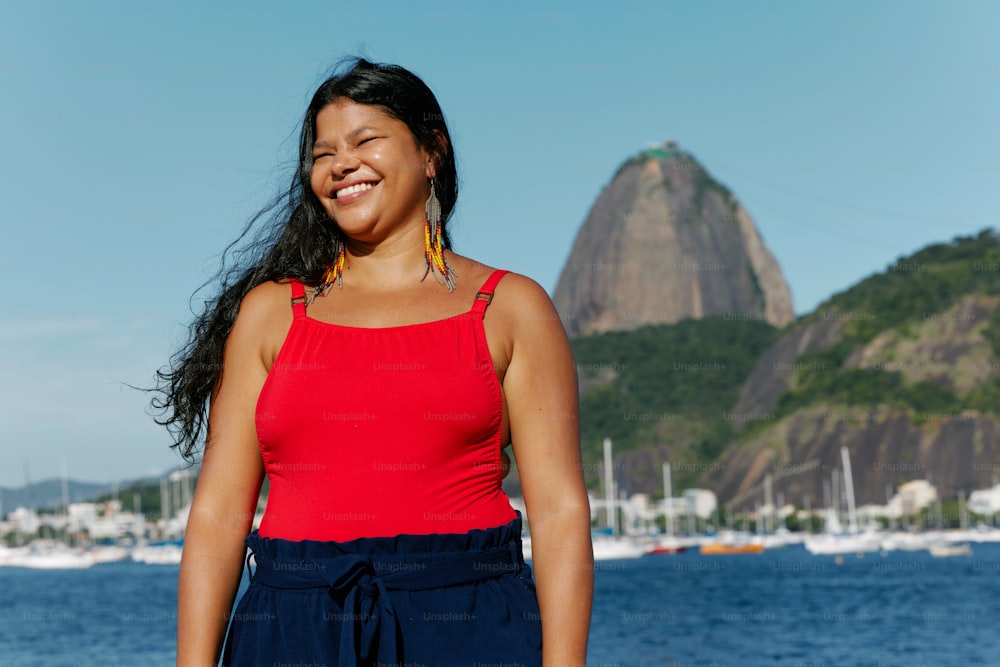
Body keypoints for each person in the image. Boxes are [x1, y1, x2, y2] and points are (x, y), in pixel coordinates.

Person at [153, 58, 593, 666]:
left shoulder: (510, 307)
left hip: (465, 623)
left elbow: (560, 511)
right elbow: (219, 514)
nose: (341, 164)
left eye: (366, 140)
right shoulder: (270, 314)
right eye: (322, 153)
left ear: (431, 151)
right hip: (292, 626)